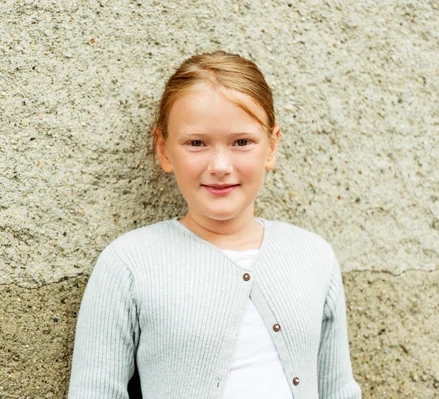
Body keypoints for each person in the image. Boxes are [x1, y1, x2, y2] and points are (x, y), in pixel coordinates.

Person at [68, 51, 361, 399]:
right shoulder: (130, 263)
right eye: (196, 143)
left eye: (241, 142)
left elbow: (339, 389)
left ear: (271, 146)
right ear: (163, 149)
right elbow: (95, 390)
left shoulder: (313, 256)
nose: (220, 165)